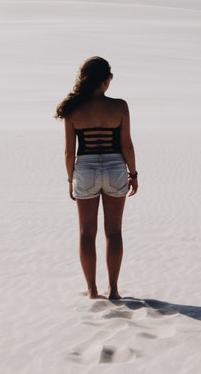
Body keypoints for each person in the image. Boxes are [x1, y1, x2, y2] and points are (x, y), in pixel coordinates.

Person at [56, 57, 138, 299]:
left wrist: (71, 179)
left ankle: (92, 290)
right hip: (114, 168)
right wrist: (133, 174)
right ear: (105, 80)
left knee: (86, 233)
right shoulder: (120, 107)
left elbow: (69, 152)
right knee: (114, 232)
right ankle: (113, 290)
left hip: (86, 169)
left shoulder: (73, 110)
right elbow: (127, 146)